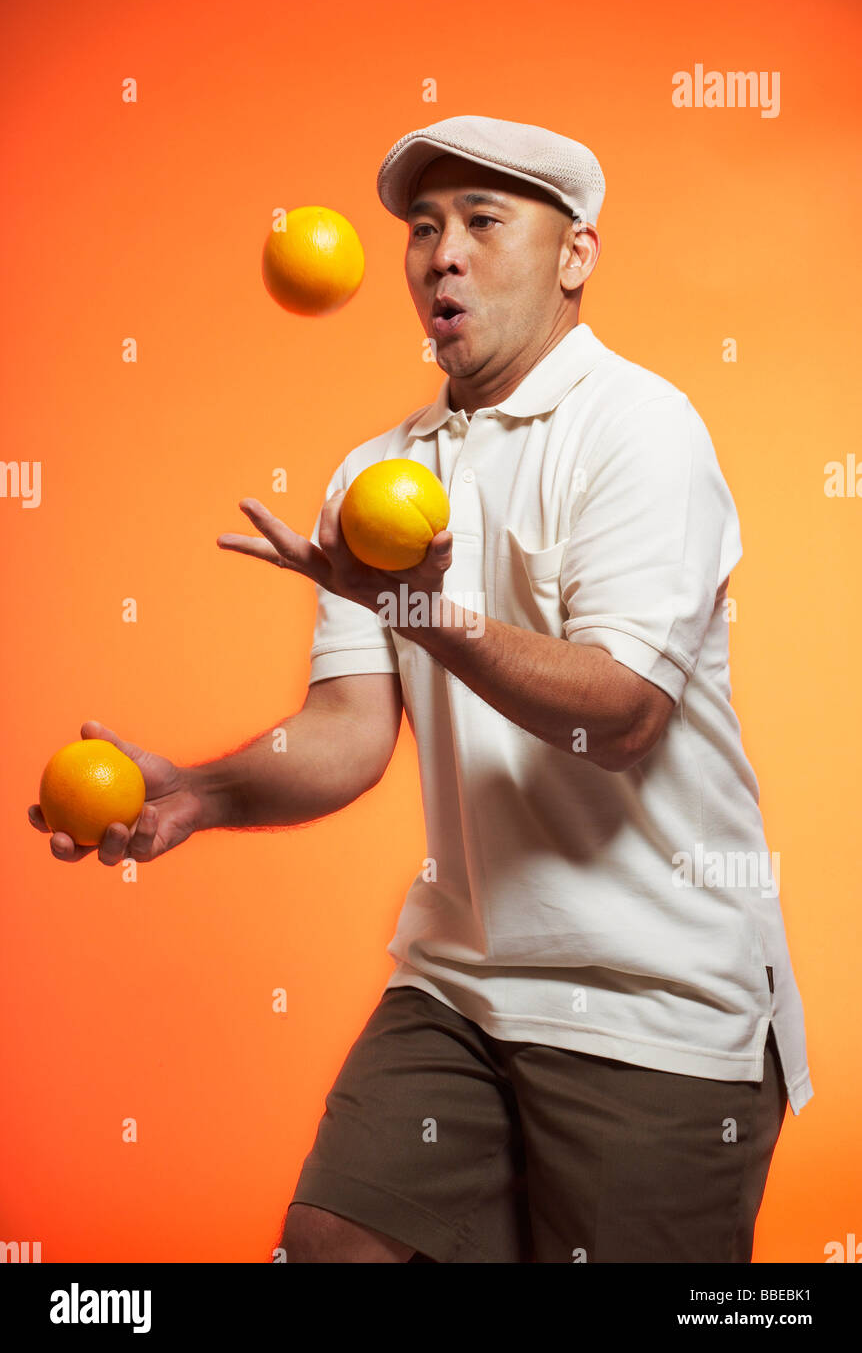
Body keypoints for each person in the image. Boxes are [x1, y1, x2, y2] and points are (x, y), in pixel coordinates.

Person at [29, 115, 813, 1264]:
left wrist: (421, 609)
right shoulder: (375, 477)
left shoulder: (641, 431)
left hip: (657, 999)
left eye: (481, 222)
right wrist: (197, 793)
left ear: (574, 257)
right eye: (422, 229)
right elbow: (348, 733)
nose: (439, 254)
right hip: (466, 984)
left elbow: (624, 713)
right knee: (335, 1242)